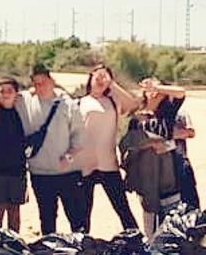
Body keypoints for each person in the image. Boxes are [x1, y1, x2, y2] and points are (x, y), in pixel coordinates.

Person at [15, 64, 85, 235]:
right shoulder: (25, 101)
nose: (41, 87)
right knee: (47, 219)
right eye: (36, 83)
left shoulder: (67, 104)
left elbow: (80, 137)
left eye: (44, 82)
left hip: (67, 172)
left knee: (76, 219)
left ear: (52, 81)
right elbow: (0, 93)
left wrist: (68, 156)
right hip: (40, 174)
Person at [77, 65, 139, 232]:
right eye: (97, 76)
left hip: (108, 163)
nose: (100, 80)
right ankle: (82, 248)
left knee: (122, 208)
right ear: (89, 78)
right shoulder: (79, 102)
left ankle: (137, 243)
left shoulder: (113, 101)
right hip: (84, 165)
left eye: (104, 78)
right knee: (83, 214)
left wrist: (112, 85)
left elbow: (133, 104)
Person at [140, 77, 195, 207]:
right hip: (151, 170)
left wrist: (156, 87)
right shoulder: (139, 116)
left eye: (157, 88)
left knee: (189, 207)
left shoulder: (169, 112)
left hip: (177, 164)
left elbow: (181, 92)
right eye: (149, 87)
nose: (153, 91)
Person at [0, 77, 29, 233]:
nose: (6, 94)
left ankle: (14, 247)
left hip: (18, 170)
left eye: (10, 91)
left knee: (15, 212)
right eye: (2, 91)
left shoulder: (22, 110)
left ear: (16, 93)